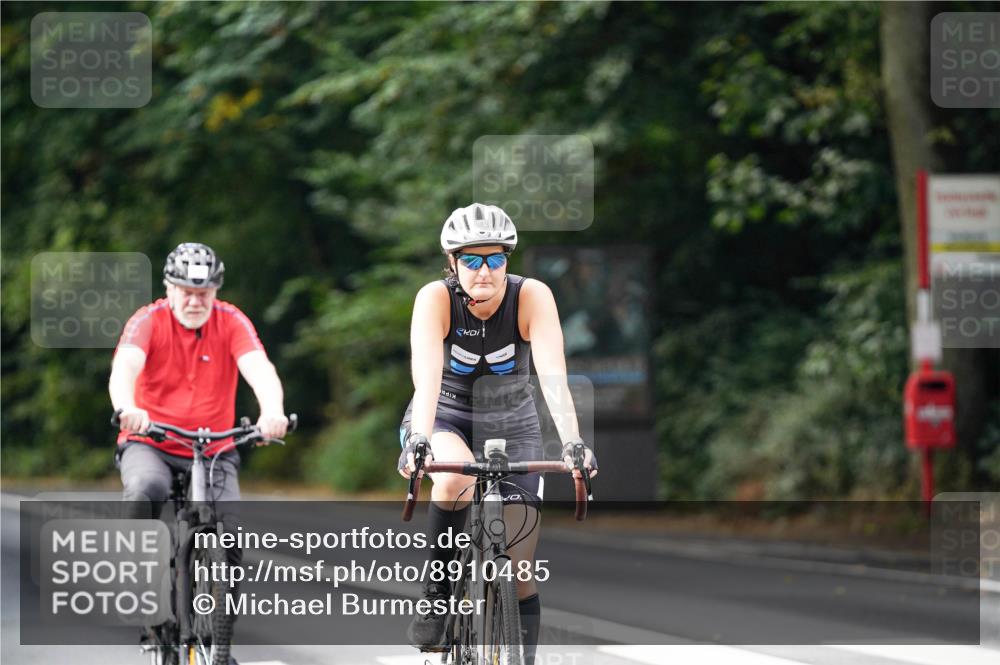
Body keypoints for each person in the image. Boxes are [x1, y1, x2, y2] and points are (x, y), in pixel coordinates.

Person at [398, 203, 598, 664]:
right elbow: (426, 375)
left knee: (521, 566)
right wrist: (420, 439)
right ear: (452, 263)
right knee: (452, 481)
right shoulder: (435, 298)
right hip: (444, 416)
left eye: (495, 259)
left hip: (514, 423)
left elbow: (552, 375)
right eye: (471, 259)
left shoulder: (532, 296)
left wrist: (572, 442)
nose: (484, 270)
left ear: (508, 260)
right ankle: (437, 596)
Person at [109, 242, 289, 664]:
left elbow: (260, 369)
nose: (194, 300)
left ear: (216, 290)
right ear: (169, 288)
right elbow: (125, 370)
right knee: (144, 490)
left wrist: (272, 412)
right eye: (185, 291)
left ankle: (219, 644)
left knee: (229, 533)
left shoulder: (231, 321)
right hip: (151, 440)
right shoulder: (148, 321)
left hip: (214, 446)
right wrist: (127, 408)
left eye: (203, 292)